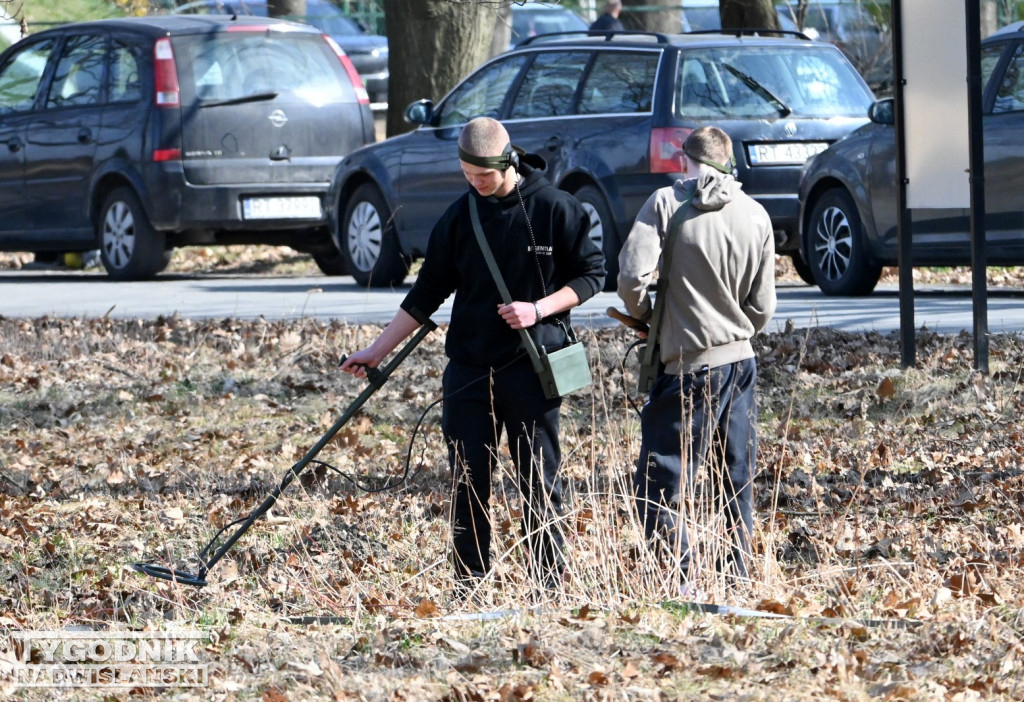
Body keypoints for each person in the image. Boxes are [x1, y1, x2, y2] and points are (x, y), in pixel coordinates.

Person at [340, 117, 604, 599]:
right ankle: (469, 587)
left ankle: (548, 590)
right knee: (467, 481)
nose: (476, 184)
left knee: (538, 482)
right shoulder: (462, 217)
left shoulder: (555, 209)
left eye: (483, 176)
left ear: (508, 161)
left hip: (532, 370)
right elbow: (426, 294)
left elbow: (591, 275)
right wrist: (376, 351)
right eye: (467, 175)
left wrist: (538, 308)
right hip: (468, 370)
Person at [616, 126, 776, 589]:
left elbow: (630, 279)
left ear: (685, 161)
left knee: (659, 480)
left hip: (686, 367)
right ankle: (735, 576)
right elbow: (762, 308)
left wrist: (651, 317)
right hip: (740, 364)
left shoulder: (666, 204)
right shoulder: (756, 214)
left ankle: (680, 577)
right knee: (735, 477)